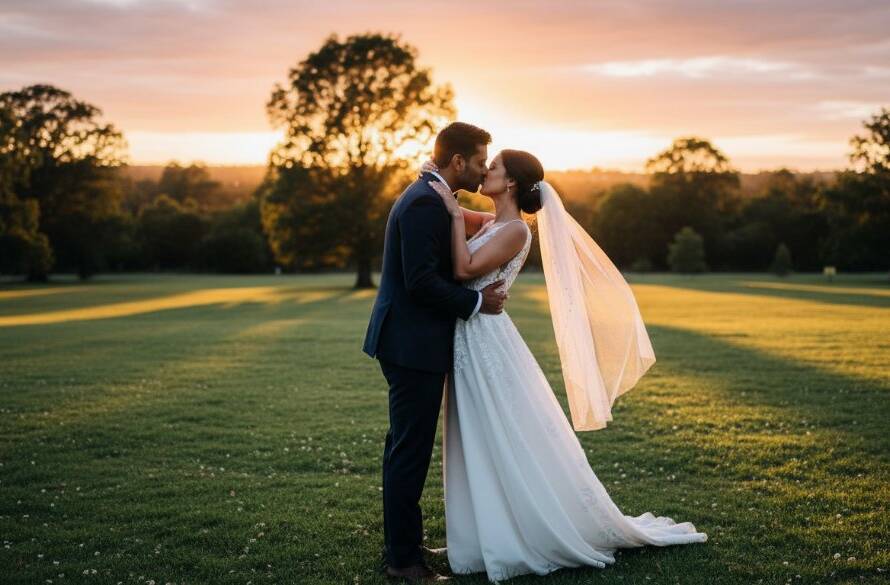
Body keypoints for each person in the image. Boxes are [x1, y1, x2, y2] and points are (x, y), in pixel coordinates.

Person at [426, 149, 708, 583]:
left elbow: (463, 268)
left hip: (486, 342)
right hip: (470, 337)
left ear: (513, 183)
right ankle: (482, 531)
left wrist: (449, 213)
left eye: (494, 167)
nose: (486, 171)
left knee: (499, 434)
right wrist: (442, 190)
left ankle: (523, 530)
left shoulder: (516, 230)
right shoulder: (493, 223)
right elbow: (466, 218)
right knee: (477, 437)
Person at [361, 122, 508, 582]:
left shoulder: (431, 196)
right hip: (412, 345)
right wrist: (478, 302)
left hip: (410, 341)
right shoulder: (426, 201)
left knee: (404, 448)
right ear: (458, 161)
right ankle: (403, 562)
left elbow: (486, 231)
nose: (484, 169)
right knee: (409, 451)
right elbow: (421, 282)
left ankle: (403, 544)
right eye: (481, 161)